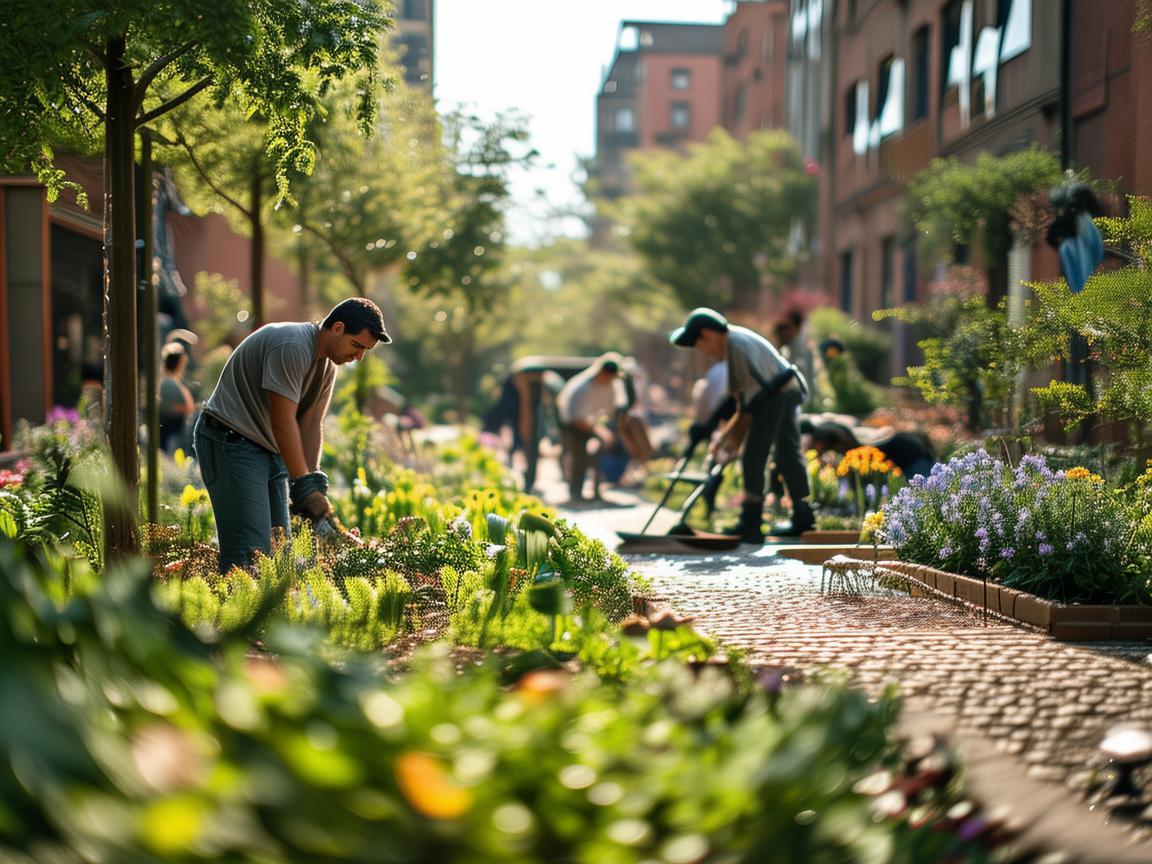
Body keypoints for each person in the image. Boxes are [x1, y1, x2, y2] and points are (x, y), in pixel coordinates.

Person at [193, 298, 390, 572]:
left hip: (267, 449)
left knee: (280, 554)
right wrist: (304, 486)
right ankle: (232, 614)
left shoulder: (327, 366)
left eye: (365, 351)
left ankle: (267, 614)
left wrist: (312, 484)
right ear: (337, 328)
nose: (358, 357)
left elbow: (310, 423)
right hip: (231, 441)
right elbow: (283, 422)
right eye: (356, 346)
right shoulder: (293, 346)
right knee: (251, 555)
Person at [669, 307, 813, 542]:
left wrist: (727, 441)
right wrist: (726, 438)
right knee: (787, 453)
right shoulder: (737, 340)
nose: (704, 352)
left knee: (754, 456)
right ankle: (803, 517)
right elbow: (743, 404)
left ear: (707, 334)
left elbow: (746, 410)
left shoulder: (734, 345)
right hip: (786, 391)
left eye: (701, 346)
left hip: (776, 395)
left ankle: (751, 523)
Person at [556, 352, 628, 502]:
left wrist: (606, 428)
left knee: (599, 457)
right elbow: (577, 419)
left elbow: (609, 411)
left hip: (592, 423)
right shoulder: (582, 388)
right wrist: (600, 431)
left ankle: (596, 491)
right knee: (579, 459)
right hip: (573, 425)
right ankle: (575, 494)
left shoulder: (611, 386)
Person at [801, 418, 936, 479]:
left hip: (909, 453)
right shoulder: (826, 428)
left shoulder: (824, 433)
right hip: (908, 449)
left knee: (927, 487)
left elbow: (846, 451)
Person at [158, 341, 197, 454]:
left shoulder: (174, 381)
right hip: (172, 433)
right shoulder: (169, 383)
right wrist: (186, 408)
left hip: (177, 432)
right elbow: (167, 406)